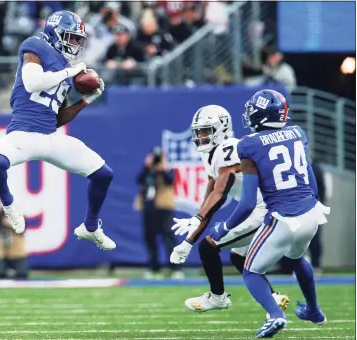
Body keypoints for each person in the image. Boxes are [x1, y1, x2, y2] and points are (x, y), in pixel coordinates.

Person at [0, 11, 116, 251]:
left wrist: (86, 100)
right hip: (22, 133)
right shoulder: (36, 45)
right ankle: (8, 204)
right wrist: (70, 72)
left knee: (103, 174)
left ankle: (90, 227)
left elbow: (56, 118)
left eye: (79, 39)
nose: (76, 44)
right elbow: (33, 83)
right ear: (56, 32)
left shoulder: (65, 69)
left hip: (49, 136)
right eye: (72, 37)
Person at [210, 89, 330, 337]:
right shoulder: (298, 133)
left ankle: (276, 315)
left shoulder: (249, 145)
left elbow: (246, 205)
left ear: (260, 115)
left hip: (283, 219)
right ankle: (314, 311)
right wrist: (312, 204)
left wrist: (225, 227)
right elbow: (310, 179)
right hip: (311, 212)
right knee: (297, 260)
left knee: (252, 272)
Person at [170, 105, 289, 314]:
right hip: (257, 210)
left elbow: (220, 193)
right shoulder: (211, 154)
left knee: (209, 247)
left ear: (222, 128)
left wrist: (197, 221)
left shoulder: (229, 148)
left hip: (266, 211)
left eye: (206, 130)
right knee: (236, 255)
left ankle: (217, 298)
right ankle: (272, 297)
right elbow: (210, 199)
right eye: (198, 131)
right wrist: (188, 241)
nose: (201, 136)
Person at [135, 147, 183, 279]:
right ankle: (153, 267)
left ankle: (175, 268)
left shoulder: (168, 169)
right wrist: (147, 166)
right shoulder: (147, 171)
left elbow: (170, 180)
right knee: (149, 237)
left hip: (164, 207)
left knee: (168, 237)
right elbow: (138, 180)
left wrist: (164, 168)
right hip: (149, 207)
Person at [0, 203, 28, 279]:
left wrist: (12, 223)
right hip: (3, 251)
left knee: (22, 274)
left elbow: (23, 229)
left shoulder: (19, 216)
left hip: (17, 252)